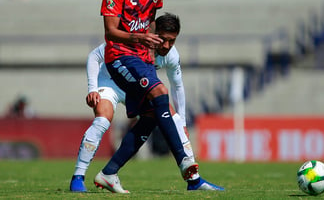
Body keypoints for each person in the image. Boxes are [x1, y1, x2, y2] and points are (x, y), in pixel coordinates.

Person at [84, 0, 218, 193]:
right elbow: (110, 32)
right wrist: (139, 37)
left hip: (141, 57)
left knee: (151, 116)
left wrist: (149, 42)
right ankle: (187, 167)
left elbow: (150, 19)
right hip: (120, 55)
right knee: (160, 93)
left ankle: (109, 173)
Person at [70, 13, 223, 192]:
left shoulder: (171, 55)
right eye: (162, 39)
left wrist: (182, 120)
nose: (166, 46)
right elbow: (95, 56)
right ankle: (78, 178)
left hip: (137, 88)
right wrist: (92, 89)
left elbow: (178, 87)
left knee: (170, 120)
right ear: (153, 32)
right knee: (103, 120)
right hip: (111, 82)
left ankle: (194, 180)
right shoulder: (134, 39)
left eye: (172, 41)